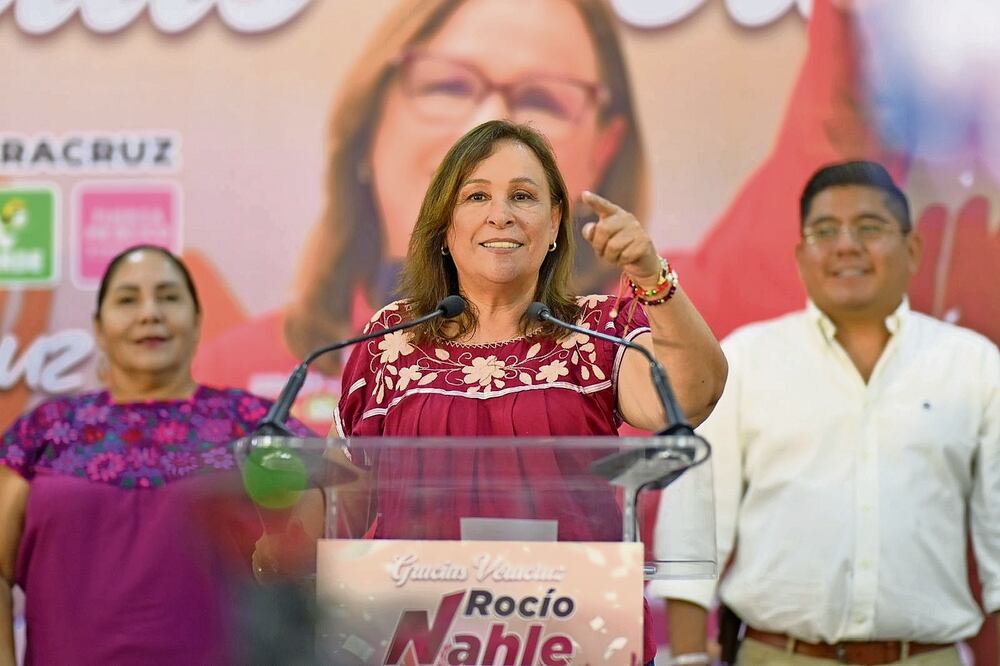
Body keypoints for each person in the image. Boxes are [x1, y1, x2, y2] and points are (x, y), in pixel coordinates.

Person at [326, 119, 727, 664]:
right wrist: (282, 526)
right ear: (444, 226)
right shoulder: (392, 339)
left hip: (574, 640)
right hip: (416, 639)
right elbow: (343, 503)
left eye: (522, 196)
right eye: (476, 196)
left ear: (555, 222)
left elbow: (692, 395)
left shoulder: (597, 330)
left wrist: (649, 273)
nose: (501, 214)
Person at [193, 0, 647, 431]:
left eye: (543, 99)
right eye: (447, 86)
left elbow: (682, 397)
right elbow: (343, 481)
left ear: (603, 149)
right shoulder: (251, 361)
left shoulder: (612, 334)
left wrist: (653, 278)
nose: (483, 124)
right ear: (369, 121)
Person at [650, 161, 1000, 665]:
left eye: (870, 228)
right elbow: (693, 525)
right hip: (778, 655)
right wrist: (687, 659)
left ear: (912, 250)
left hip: (927, 655)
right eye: (825, 231)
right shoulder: (745, 360)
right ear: (801, 256)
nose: (846, 246)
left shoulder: (972, 364)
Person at [0, 245, 311, 665]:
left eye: (168, 297)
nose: (150, 313)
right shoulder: (42, 430)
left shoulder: (259, 425)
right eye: (128, 299)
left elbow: (334, 525)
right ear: (99, 327)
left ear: (197, 320)